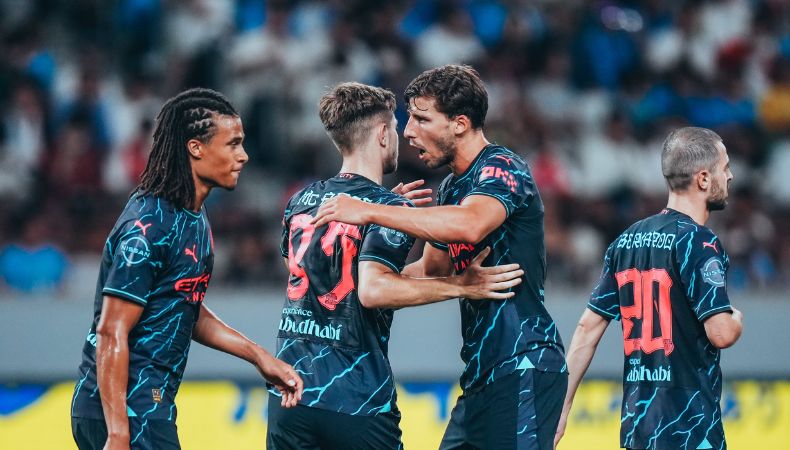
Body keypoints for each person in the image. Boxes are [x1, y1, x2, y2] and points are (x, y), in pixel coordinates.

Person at [313, 65, 567, 450]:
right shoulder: (451, 188)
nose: (408, 131)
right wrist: (355, 287)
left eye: (422, 119)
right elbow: (431, 270)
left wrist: (370, 211)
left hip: (524, 362)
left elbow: (470, 225)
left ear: (460, 124)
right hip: (482, 374)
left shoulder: (503, 166)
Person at [268, 81, 524, 450]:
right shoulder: (387, 209)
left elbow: (308, 272)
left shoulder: (301, 200)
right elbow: (373, 292)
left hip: (289, 394)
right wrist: (462, 285)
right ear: (383, 134)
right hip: (355, 398)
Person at [70, 88, 303, 450]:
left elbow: (184, 306)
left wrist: (259, 357)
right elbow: (111, 331)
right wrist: (117, 433)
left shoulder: (192, 216)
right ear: (196, 148)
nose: (243, 155)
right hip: (124, 410)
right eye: (233, 144)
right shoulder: (148, 228)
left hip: (148, 406)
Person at [554, 127, 744, 450]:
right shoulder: (699, 242)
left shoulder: (626, 241)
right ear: (703, 179)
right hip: (689, 430)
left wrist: (561, 409)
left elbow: (587, 329)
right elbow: (721, 333)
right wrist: (736, 318)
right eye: (724, 167)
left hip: (639, 428)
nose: (730, 176)